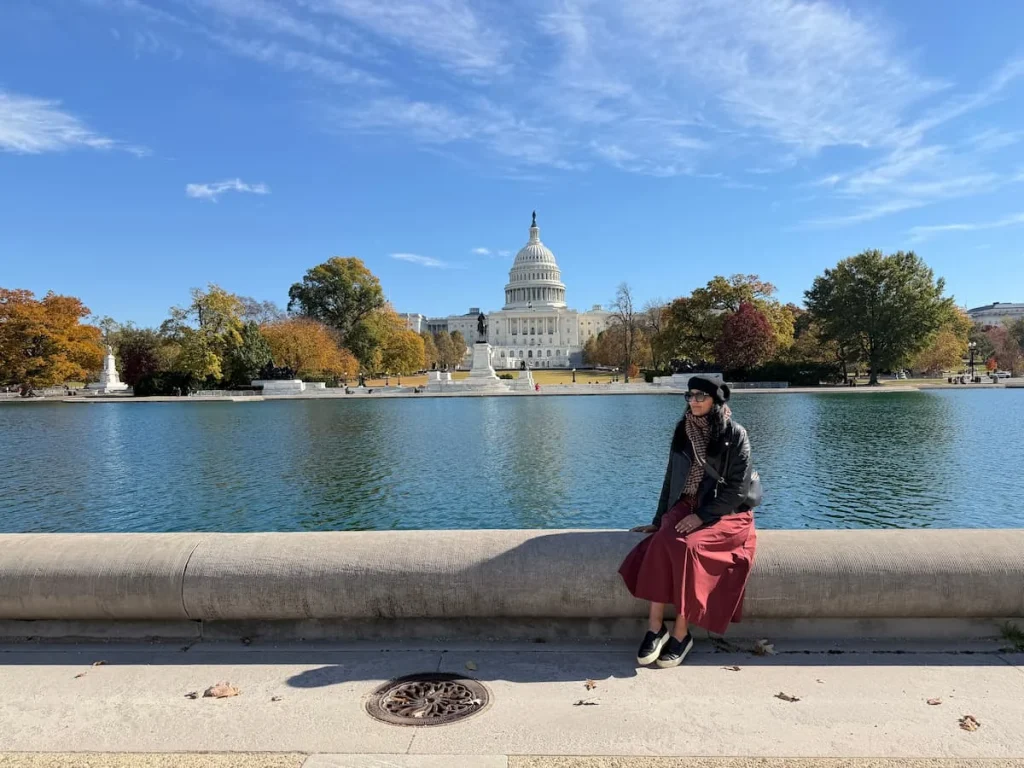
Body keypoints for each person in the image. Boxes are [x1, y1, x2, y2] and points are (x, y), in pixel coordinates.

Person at [619, 375, 760, 669]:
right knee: (660, 543)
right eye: (690, 395)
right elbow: (671, 478)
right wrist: (659, 520)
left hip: (725, 512)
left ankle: (682, 635)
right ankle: (655, 628)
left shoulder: (735, 434)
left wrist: (701, 516)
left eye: (700, 396)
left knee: (688, 548)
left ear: (716, 402)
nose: (693, 401)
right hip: (687, 504)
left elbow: (736, 490)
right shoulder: (683, 429)